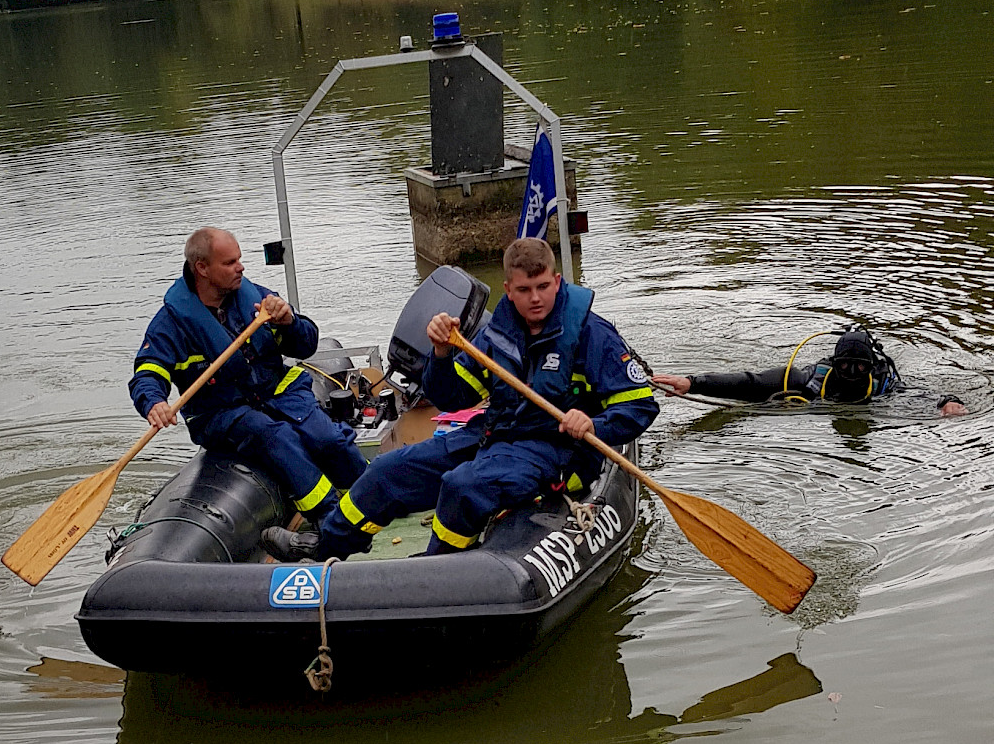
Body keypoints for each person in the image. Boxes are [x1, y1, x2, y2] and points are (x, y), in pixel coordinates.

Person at [262, 236, 658, 561]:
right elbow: (451, 398)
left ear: (557, 282)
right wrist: (440, 353)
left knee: (462, 486)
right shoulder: (497, 333)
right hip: (494, 435)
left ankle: (436, 569)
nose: (535, 298)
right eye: (524, 290)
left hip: (558, 450)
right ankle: (325, 547)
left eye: (543, 287)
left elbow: (641, 404)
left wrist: (594, 424)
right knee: (388, 470)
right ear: (509, 290)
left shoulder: (591, 334)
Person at [129, 226, 366, 521]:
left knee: (328, 439)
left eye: (239, 259)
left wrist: (289, 321)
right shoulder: (172, 324)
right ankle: (331, 520)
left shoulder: (256, 300)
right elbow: (148, 372)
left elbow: (306, 345)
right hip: (222, 411)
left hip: (277, 392)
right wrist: (154, 402)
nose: (240, 267)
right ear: (201, 268)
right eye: (229, 263)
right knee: (276, 438)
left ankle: (369, 495)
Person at [653, 325, 968, 414]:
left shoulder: (884, 385)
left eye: (862, 367)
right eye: (847, 365)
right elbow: (749, 382)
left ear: (871, 367)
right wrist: (692, 383)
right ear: (835, 364)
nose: (854, 373)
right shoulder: (808, 380)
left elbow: (923, 396)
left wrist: (948, 401)